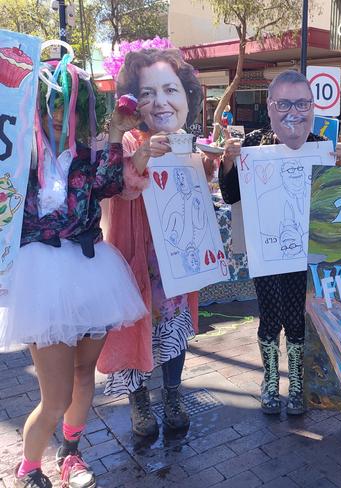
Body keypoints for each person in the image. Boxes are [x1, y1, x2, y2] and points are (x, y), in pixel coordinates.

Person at [1, 60, 147, 488]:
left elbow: (109, 185)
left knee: (86, 376)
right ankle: (28, 468)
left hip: (91, 272)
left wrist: (119, 131)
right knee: (56, 395)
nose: (62, 115)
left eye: (72, 105)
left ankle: (69, 454)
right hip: (41, 280)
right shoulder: (16, 161)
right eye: (54, 104)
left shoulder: (89, 158)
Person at [217, 70, 341, 415]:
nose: (294, 111)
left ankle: (297, 382)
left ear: (313, 107)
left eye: (302, 103)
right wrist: (228, 163)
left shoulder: (322, 145)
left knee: (297, 318)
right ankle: (270, 382)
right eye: (285, 103)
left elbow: (337, 205)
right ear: (271, 106)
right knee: (270, 317)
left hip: (305, 251)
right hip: (266, 249)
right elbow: (232, 196)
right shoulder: (253, 144)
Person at [97, 48, 206, 438]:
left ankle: (173, 394)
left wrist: (220, 160)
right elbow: (117, 185)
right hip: (134, 259)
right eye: (147, 93)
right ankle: (139, 401)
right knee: (134, 328)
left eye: (170, 90)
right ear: (133, 100)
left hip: (174, 260)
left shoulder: (186, 141)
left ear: (184, 96)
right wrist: (143, 153)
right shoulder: (123, 139)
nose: (160, 101)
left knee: (174, 326)